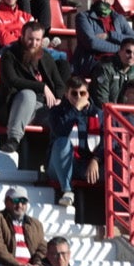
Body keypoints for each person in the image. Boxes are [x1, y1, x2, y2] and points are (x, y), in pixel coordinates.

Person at [0, 23, 68, 156]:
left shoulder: (45, 56)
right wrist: (42, 86)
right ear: (22, 36)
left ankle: (54, 155)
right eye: (30, 39)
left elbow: (59, 84)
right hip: (15, 106)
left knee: (61, 115)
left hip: (41, 108)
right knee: (28, 94)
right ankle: (13, 140)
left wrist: (58, 98)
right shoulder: (9, 55)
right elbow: (13, 81)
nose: (34, 43)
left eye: (38, 40)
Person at [48, 79, 102, 207]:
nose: (78, 97)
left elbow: (107, 141)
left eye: (82, 93)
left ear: (87, 95)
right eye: (74, 94)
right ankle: (67, 191)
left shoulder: (98, 114)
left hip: (88, 165)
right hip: (59, 166)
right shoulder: (57, 112)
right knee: (62, 142)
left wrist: (96, 159)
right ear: (67, 94)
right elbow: (60, 132)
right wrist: (76, 109)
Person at [73, 0, 134, 76]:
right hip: (93, 64)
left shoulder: (119, 18)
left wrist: (109, 35)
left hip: (119, 63)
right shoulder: (83, 17)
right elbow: (92, 43)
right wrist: (121, 50)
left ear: (112, 0)